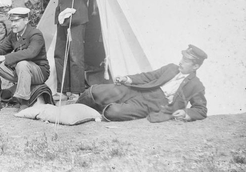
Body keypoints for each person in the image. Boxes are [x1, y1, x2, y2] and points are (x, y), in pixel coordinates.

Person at [76, 45, 208, 122]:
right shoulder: (171, 68)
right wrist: (127, 79)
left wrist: (186, 113)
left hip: (153, 105)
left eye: (186, 61)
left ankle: (88, 115)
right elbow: (148, 76)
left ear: (195, 66)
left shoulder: (196, 85)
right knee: (98, 91)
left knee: (113, 112)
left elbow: (201, 109)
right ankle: (72, 110)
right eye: (182, 58)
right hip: (141, 89)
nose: (180, 62)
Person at [53, 0, 97, 100]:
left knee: (75, 55)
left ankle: (77, 91)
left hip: (77, 18)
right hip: (62, 18)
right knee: (60, 53)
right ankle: (63, 90)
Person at [0, 7, 50, 110]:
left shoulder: (35, 34)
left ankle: (24, 103)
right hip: (19, 71)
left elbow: (30, 53)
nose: (13, 24)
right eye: (12, 21)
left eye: (16, 20)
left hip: (38, 72)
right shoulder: (14, 34)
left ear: (26, 20)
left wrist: (4, 57)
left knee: (22, 64)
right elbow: (2, 47)